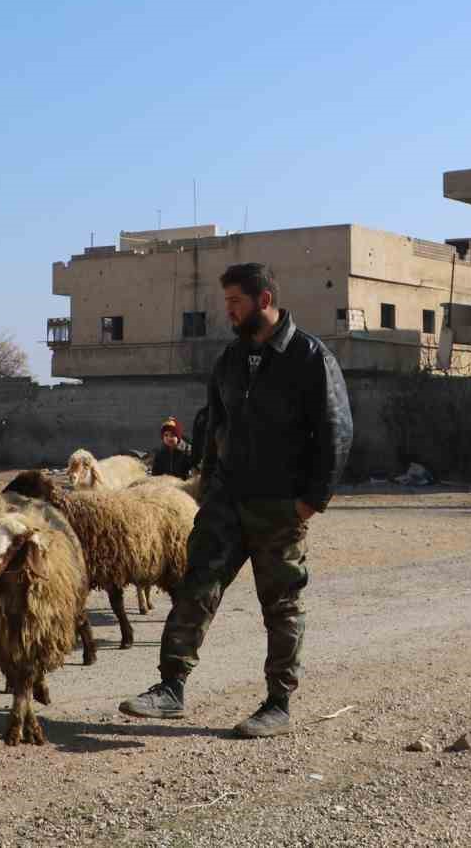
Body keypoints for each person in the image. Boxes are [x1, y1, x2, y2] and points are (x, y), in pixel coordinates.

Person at [120, 262, 352, 738]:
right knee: (195, 585)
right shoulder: (230, 359)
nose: (227, 312)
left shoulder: (309, 357)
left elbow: (336, 431)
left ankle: (278, 704)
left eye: (235, 303)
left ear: (264, 300)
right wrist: (207, 484)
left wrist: (312, 500)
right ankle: (170, 688)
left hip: (280, 504)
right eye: (226, 302)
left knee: (281, 603)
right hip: (226, 498)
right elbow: (214, 425)